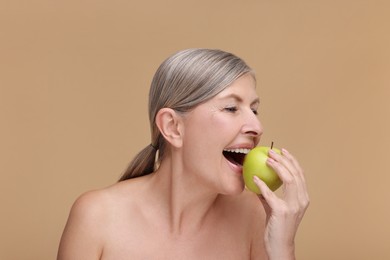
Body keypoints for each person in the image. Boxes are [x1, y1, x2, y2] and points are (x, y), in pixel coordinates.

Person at [57, 48, 309, 259]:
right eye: (231, 108)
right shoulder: (97, 217)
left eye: (254, 110)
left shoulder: (254, 217)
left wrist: (282, 249)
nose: (257, 127)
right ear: (173, 127)